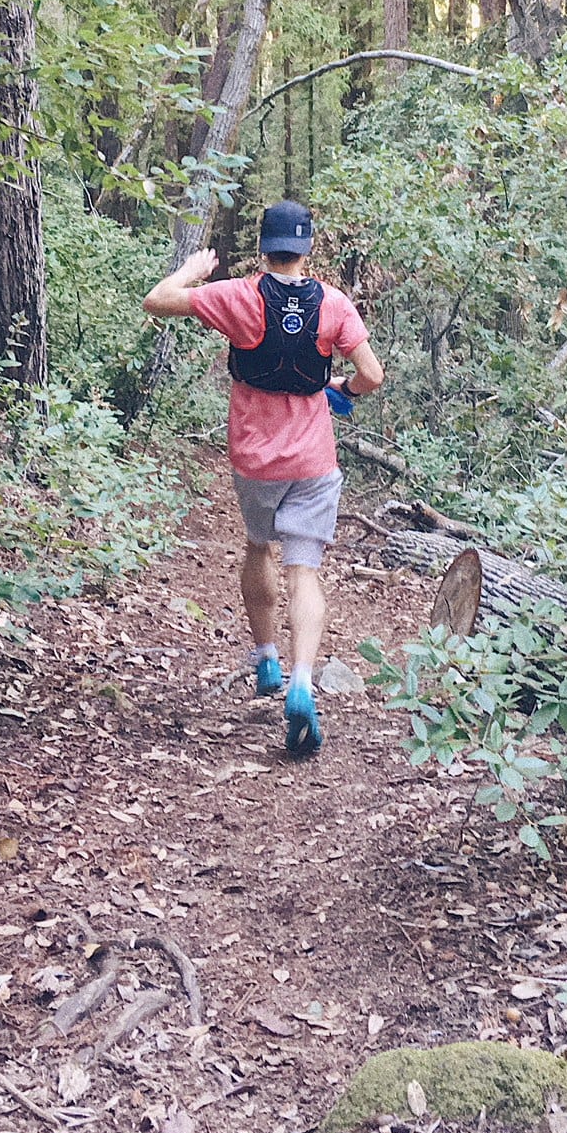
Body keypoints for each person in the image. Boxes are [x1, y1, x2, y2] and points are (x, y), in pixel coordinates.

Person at [142, 200, 384, 756]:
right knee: (306, 572)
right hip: (314, 461)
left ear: (263, 248)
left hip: (254, 460)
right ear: (308, 250)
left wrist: (193, 271)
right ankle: (302, 681)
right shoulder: (335, 305)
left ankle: (267, 658)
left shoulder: (240, 296)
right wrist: (341, 391)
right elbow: (372, 374)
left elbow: (156, 300)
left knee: (258, 547)